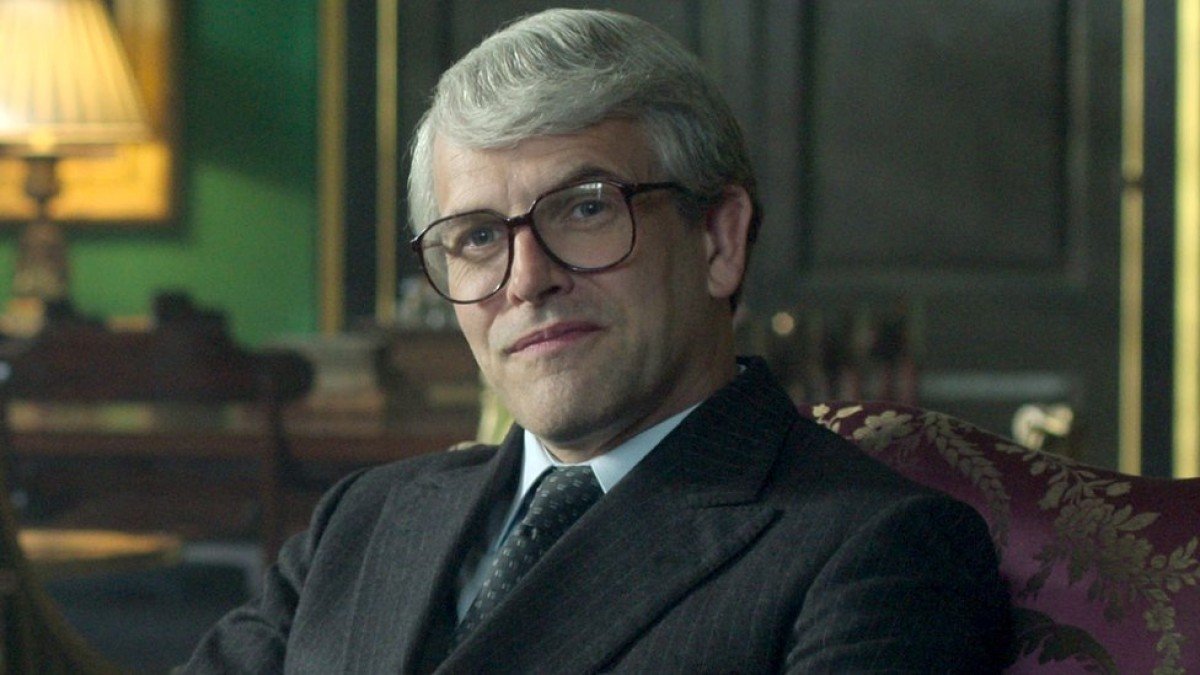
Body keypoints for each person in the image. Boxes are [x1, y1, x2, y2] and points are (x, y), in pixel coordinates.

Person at [185, 8, 1011, 673]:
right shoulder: (362, 520)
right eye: (478, 236)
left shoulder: (879, 551)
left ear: (719, 240)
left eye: (585, 209)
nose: (526, 278)